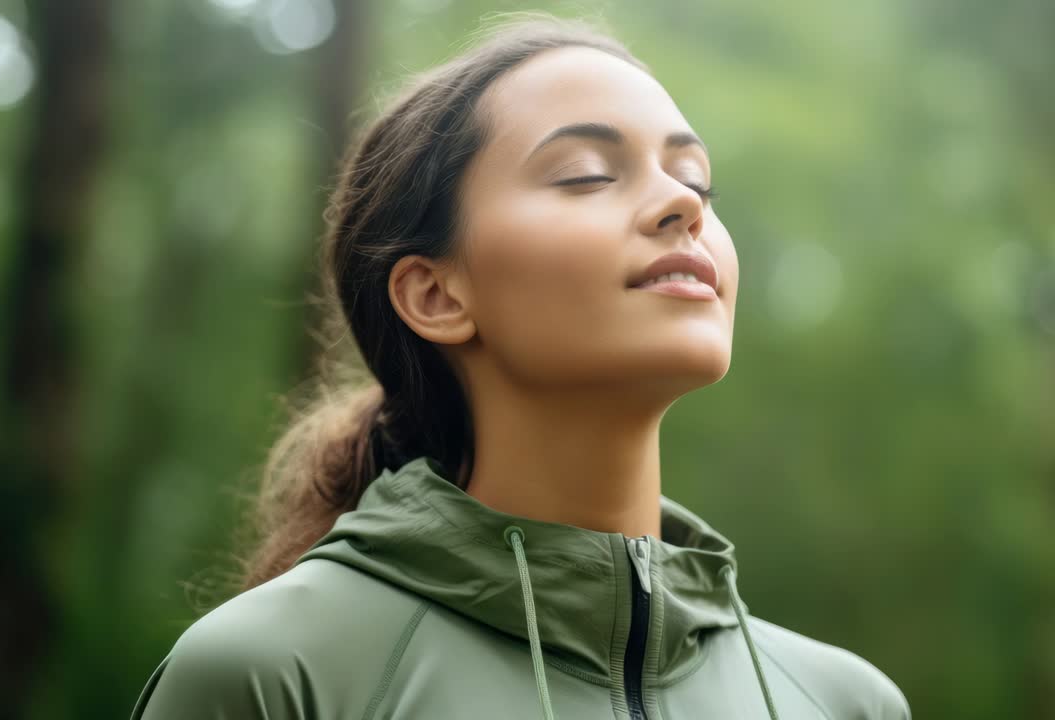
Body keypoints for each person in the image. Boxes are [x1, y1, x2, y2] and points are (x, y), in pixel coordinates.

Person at [129, 12, 911, 720]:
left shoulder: (846, 702)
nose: (684, 205)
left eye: (695, 178)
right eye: (587, 174)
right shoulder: (272, 677)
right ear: (435, 294)